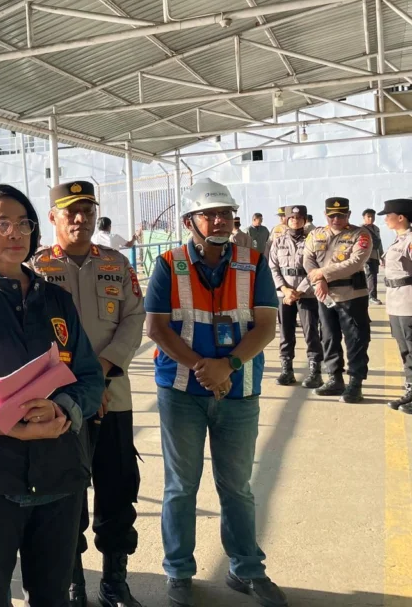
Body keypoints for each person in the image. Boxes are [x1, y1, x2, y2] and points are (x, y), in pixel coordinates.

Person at [0, 184, 105, 607]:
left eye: (24, 223)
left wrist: (62, 410)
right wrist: (4, 425)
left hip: (58, 475)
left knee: (53, 596)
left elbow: (88, 376)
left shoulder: (57, 300)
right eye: (2, 224)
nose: (15, 233)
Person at [144, 178, 285, 607]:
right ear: (190, 221)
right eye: (210, 214)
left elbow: (266, 326)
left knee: (237, 486)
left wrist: (229, 366)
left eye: (226, 213)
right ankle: (179, 572)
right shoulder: (168, 264)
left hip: (238, 390)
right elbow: (157, 328)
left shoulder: (253, 263)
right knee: (180, 486)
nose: (220, 221)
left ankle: (246, 569)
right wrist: (203, 368)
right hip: (181, 392)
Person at [31, 181, 145, 607]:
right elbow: (31, 334)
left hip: (114, 396)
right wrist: (78, 388)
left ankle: (114, 581)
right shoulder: (36, 268)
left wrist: (99, 375)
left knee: (117, 488)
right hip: (60, 403)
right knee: (66, 494)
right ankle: (73, 581)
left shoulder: (116, 264)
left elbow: (134, 318)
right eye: (71, 211)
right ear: (53, 217)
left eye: (88, 210)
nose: (80, 218)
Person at [302, 197, 373, 404]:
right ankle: (335, 378)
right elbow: (307, 259)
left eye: (341, 215)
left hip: (352, 295)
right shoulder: (316, 234)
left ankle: (355, 384)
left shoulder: (360, 234)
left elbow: (356, 261)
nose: (336, 219)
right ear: (325, 215)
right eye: (332, 215)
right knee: (328, 338)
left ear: (348, 214)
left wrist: (323, 274)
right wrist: (318, 282)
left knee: (356, 340)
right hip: (325, 296)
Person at [266, 205, 323, 387]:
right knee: (285, 333)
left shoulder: (312, 241)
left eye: (299, 218)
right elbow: (273, 267)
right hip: (284, 294)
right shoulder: (278, 241)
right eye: (292, 218)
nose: (295, 221)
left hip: (306, 293)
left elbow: (316, 267)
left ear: (304, 220)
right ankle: (287, 370)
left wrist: (299, 290)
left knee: (311, 332)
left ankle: (315, 372)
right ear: (286, 220)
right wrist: (284, 289)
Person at [381, 198, 412, 413]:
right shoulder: (398, 240)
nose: (385, 219)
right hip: (396, 302)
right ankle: (410, 389)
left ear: (400, 217)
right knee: (405, 351)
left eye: (388, 215)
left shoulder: (410, 240)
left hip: (409, 302)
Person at [362, 208, 384, 305]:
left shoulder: (376, 229)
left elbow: (379, 243)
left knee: (373, 276)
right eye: (369, 217)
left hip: (375, 256)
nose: (371, 219)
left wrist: (382, 256)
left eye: (373, 217)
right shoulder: (361, 229)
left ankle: (370, 296)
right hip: (366, 257)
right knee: (370, 276)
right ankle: (371, 297)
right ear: (364, 217)